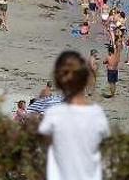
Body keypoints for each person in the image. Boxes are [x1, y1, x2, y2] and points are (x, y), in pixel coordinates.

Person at [38, 51, 109, 180]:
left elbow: (45, 142)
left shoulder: (53, 113)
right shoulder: (97, 114)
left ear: (58, 82)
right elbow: (102, 143)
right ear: (86, 79)